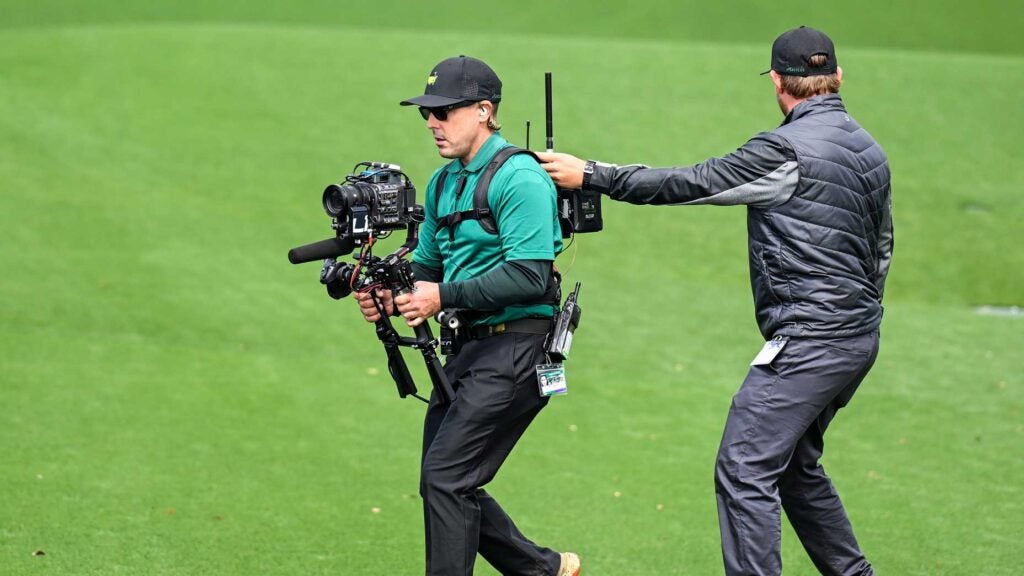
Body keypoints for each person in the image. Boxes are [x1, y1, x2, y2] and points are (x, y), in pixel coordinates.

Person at [538, 26, 892, 576]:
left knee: (746, 464)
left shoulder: (783, 149)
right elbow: (882, 250)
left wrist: (592, 175)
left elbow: (696, 182)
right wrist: (854, 322)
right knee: (795, 465)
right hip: (858, 337)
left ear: (778, 82)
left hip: (812, 342)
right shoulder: (870, 150)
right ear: (838, 77)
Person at [354, 55, 580, 576]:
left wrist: (440, 296)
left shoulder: (519, 177)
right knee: (447, 481)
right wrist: (392, 296)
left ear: (484, 111)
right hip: (469, 350)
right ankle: (546, 570)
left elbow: (529, 277)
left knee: (446, 479)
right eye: (426, 114)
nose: (433, 123)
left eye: (445, 112)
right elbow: (426, 267)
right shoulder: (442, 184)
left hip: (518, 348)